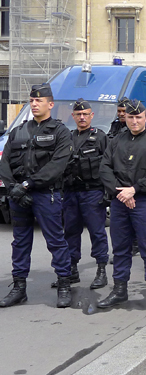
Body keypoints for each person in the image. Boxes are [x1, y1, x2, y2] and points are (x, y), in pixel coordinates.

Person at [0, 83, 74, 308]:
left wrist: (27, 185)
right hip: (18, 196)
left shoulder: (61, 132)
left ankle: (64, 286)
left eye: (38, 101)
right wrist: (14, 187)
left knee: (55, 241)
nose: (34, 104)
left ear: (50, 104)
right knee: (20, 242)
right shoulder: (18, 131)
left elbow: (57, 166)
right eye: (31, 100)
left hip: (45, 195)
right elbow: (5, 163)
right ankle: (19, 288)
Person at [97, 99, 146, 311]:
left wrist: (135, 189)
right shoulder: (116, 141)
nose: (135, 121)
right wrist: (121, 192)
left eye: (139, 117)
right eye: (131, 117)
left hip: (144, 201)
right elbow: (105, 169)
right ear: (125, 118)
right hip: (120, 201)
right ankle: (119, 290)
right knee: (120, 249)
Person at [61, 98, 110, 290]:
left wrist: (108, 193)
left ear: (92, 116)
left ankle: (101, 270)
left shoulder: (100, 137)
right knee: (70, 232)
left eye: (85, 114)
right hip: (71, 193)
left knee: (97, 232)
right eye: (78, 114)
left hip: (93, 193)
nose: (82, 117)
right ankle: (72, 269)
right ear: (73, 116)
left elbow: (108, 165)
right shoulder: (67, 138)